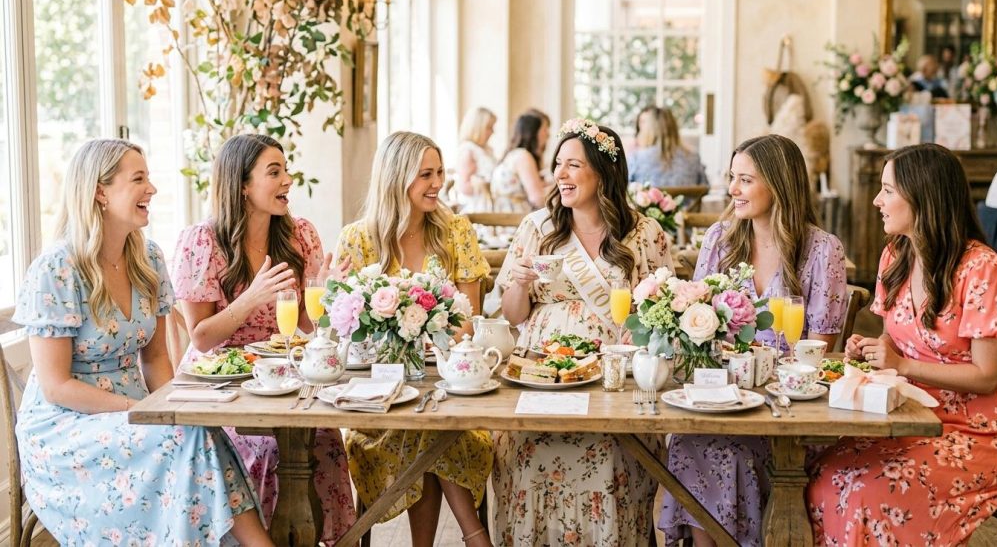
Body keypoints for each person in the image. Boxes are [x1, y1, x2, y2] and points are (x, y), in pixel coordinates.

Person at [13, 139, 273, 545]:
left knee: (204, 432)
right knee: (188, 440)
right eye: (139, 179)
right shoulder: (56, 268)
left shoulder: (147, 258)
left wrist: (174, 408)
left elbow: (154, 360)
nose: (151, 189)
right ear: (100, 191)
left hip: (136, 411)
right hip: (67, 429)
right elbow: (56, 386)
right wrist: (142, 410)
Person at [808, 144, 997, 545]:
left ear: (923, 196)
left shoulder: (985, 269)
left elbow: (988, 375)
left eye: (887, 190)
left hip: (970, 434)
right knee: (823, 475)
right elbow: (895, 333)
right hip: (903, 415)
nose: (876, 200)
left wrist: (903, 366)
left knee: (862, 494)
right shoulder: (896, 256)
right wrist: (874, 348)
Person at [659, 134, 848, 547]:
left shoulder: (822, 251)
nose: (732, 190)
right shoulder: (720, 239)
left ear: (778, 184)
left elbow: (816, 355)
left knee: (723, 451)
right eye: (732, 177)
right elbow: (695, 327)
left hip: (786, 413)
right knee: (692, 441)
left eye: (745, 180)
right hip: (721, 400)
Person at [494, 118, 674, 545]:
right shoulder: (538, 228)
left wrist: (645, 329)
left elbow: (666, 313)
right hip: (539, 375)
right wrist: (519, 282)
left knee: (616, 454)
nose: (560, 175)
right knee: (526, 452)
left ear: (603, 172)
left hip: (614, 380)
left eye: (573, 165)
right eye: (558, 164)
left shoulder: (644, 233)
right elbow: (513, 315)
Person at [172, 133, 355, 542]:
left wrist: (326, 293)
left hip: (284, 375)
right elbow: (201, 338)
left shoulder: (298, 235)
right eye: (274, 172)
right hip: (223, 384)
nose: (288, 179)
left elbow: (307, 325)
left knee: (324, 446)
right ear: (241, 183)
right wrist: (251, 298)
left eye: (286, 169)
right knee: (272, 452)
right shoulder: (203, 241)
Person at [335, 131, 493, 547]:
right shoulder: (357, 240)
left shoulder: (456, 230)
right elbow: (342, 327)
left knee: (434, 423)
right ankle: (476, 537)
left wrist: (433, 344)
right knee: (424, 426)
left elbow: (467, 321)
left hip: (446, 386)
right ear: (396, 178)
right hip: (377, 400)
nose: (438, 183)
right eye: (426, 174)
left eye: (440, 172)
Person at [628, 106, 708, 187]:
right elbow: (705, 187)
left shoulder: (636, 159)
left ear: (649, 130)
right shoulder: (693, 157)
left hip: (650, 200)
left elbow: (624, 189)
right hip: (688, 200)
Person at [490, 110, 551, 213]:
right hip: (514, 221)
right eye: (545, 130)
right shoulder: (523, 156)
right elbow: (537, 200)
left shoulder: (513, 154)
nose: (548, 134)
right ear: (533, 133)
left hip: (503, 219)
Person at [454, 107, 498, 213]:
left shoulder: (487, 150)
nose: (492, 132)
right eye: (489, 127)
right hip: (478, 207)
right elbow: (463, 187)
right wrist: (486, 186)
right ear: (478, 128)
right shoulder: (468, 150)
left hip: (491, 202)